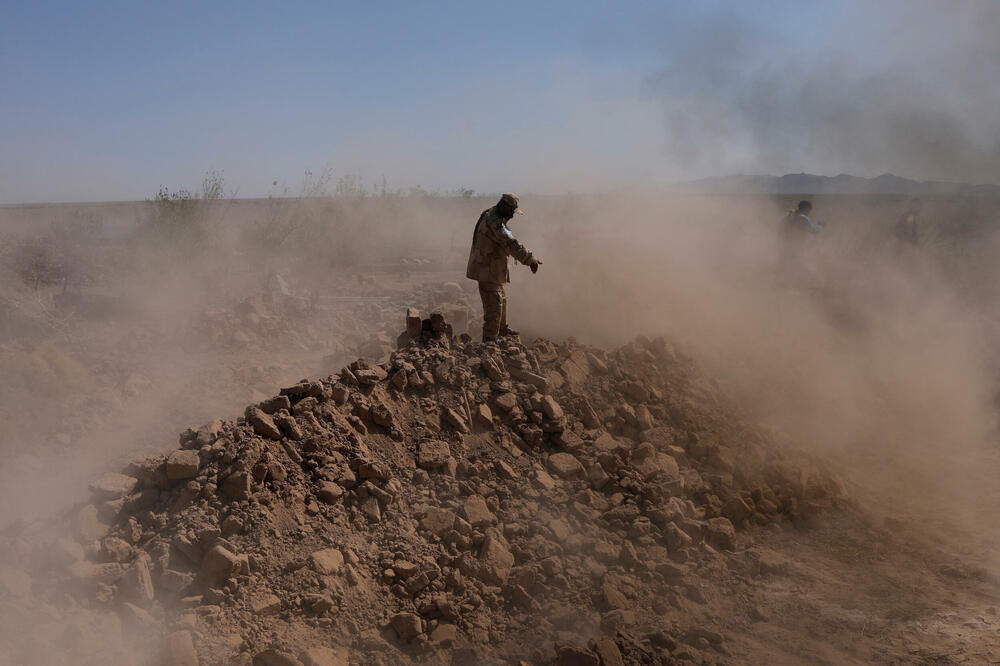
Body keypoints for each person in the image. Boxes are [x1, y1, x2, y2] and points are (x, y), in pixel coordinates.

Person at [466, 193, 541, 342]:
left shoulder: (493, 216)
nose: (512, 216)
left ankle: (501, 330)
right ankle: (490, 341)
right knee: (494, 305)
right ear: (504, 207)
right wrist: (529, 259)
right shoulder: (494, 221)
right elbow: (510, 242)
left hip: (492, 270)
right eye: (512, 211)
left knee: (502, 300)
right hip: (486, 269)